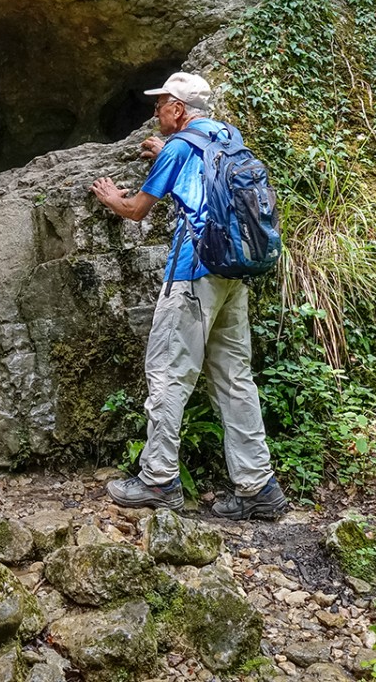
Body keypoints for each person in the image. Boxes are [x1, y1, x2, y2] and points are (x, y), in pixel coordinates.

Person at [89, 71, 288, 520]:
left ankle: (158, 480)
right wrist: (168, 155)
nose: (155, 112)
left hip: (193, 274)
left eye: (160, 104)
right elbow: (204, 181)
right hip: (232, 272)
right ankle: (259, 489)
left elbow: (135, 210)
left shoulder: (179, 148)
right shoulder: (225, 137)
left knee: (167, 373)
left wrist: (108, 196)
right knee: (235, 379)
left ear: (178, 109)